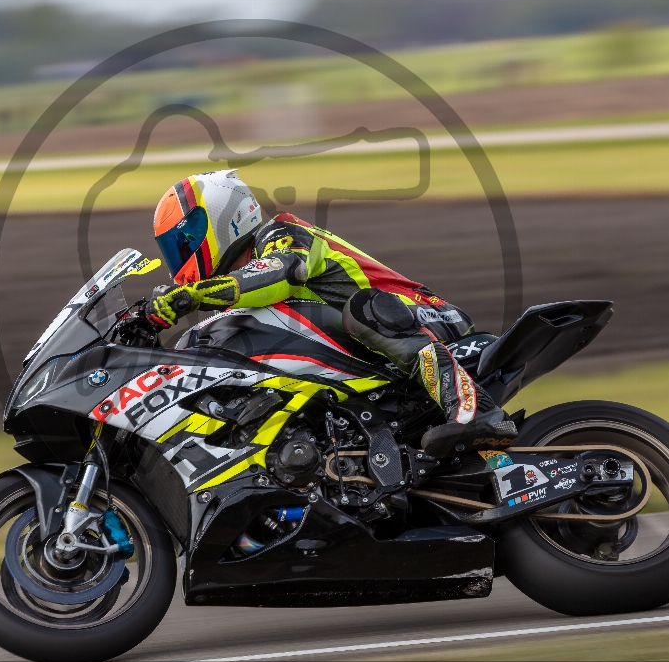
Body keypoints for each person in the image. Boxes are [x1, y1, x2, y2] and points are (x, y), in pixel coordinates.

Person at [145, 169, 517, 456]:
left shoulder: (281, 233)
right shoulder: (238, 299)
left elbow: (283, 273)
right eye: (175, 247)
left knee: (364, 308)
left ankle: (476, 410)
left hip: (428, 316)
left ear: (224, 217)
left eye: (187, 239)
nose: (182, 253)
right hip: (371, 354)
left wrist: (192, 296)